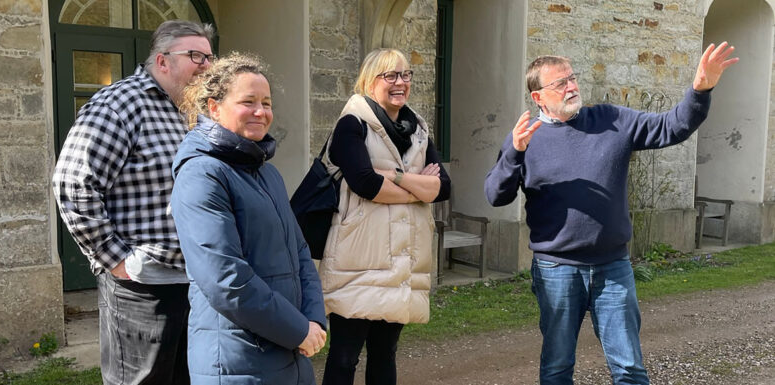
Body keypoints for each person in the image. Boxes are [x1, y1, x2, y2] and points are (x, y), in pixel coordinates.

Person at [484, 42, 738, 385]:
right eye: (560, 83)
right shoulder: (527, 139)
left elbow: (672, 127)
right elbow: (495, 196)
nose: (571, 86)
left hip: (612, 266)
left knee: (630, 368)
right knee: (557, 367)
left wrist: (700, 89)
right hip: (557, 269)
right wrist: (514, 153)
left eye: (572, 78)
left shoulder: (611, 120)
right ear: (538, 97)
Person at [52, 20, 215, 384]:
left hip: (197, 282)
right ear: (162, 61)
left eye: (209, 56)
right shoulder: (119, 103)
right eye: (195, 56)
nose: (207, 64)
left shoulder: (195, 112)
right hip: (142, 287)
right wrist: (116, 259)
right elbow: (73, 183)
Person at [170, 52, 327, 385]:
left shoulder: (267, 174)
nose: (261, 112)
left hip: (286, 351)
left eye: (267, 103)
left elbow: (299, 252)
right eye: (248, 101)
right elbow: (225, 280)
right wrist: (298, 329)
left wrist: (313, 320)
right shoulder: (202, 174)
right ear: (213, 108)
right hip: (237, 360)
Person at [317, 48, 451, 385]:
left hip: (402, 260)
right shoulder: (352, 124)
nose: (400, 82)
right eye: (390, 75)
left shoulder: (417, 128)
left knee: (384, 354)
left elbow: (444, 188)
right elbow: (364, 184)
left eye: (405, 75)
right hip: (358, 260)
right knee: (345, 356)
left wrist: (397, 177)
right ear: (369, 80)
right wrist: (419, 189)